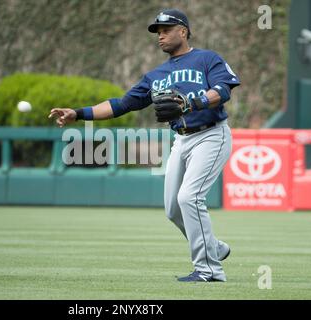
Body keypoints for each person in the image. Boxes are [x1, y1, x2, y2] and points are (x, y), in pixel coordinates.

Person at [49, 8, 240, 282]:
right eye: (158, 32)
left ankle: (209, 270)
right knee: (173, 209)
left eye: (166, 30)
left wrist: (191, 102)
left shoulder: (207, 59)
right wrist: (78, 113)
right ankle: (214, 248)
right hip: (182, 139)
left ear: (183, 31)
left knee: (189, 197)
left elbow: (223, 91)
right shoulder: (156, 75)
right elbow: (121, 104)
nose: (160, 36)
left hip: (211, 135)